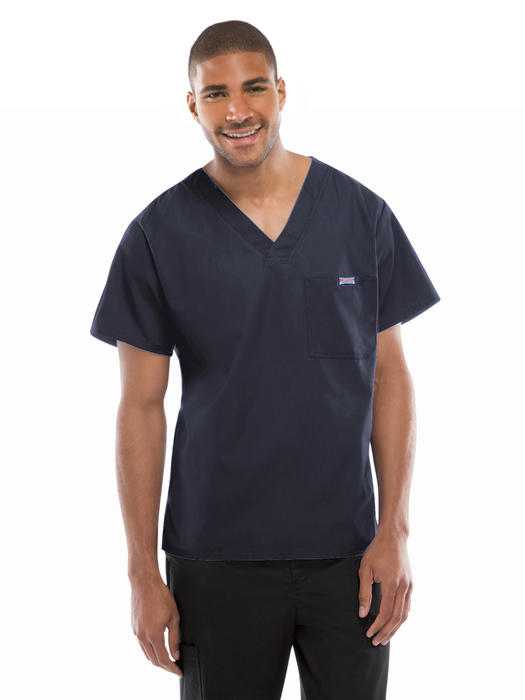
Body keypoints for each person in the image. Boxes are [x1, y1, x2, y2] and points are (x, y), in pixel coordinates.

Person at [90, 19, 440, 700]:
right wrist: (142, 573)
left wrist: (394, 530)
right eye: (215, 94)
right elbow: (139, 407)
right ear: (192, 105)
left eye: (253, 88)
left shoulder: (359, 215)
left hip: (350, 556)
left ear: (280, 92)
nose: (237, 111)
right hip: (214, 557)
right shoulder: (157, 235)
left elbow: (390, 376)